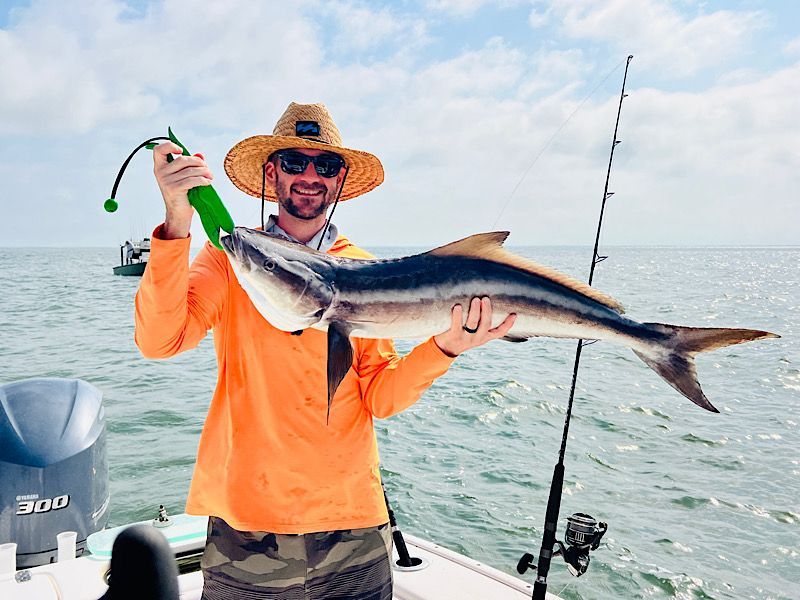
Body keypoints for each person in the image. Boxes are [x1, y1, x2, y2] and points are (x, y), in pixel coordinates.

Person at [134, 102, 516, 599]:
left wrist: (447, 346)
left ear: (339, 181)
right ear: (271, 172)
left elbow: (381, 397)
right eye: (294, 162)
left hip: (352, 523)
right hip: (249, 523)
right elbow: (160, 341)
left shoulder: (364, 271)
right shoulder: (233, 258)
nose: (310, 176)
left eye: (326, 165)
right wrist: (178, 223)